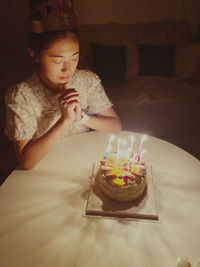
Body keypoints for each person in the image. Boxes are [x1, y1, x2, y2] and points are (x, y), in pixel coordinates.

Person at [4, 0, 122, 170]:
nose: (68, 68)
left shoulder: (87, 81)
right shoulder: (21, 95)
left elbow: (115, 126)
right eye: (58, 60)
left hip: (82, 163)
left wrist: (82, 118)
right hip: (45, 168)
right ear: (35, 54)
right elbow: (26, 161)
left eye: (74, 58)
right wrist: (65, 121)